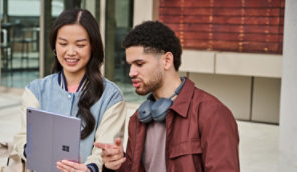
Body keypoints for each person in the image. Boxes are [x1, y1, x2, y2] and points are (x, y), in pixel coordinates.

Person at [94, 21, 240, 172]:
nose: (131, 73)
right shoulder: (138, 119)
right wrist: (116, 165)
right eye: (130, 65)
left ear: (166, 61)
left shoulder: (212, 113)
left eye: (139, 64)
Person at [12, 9, 126, 172]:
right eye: (63, 44)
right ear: (54, 45)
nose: (71, 52)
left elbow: (103, 151)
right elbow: (22, 137)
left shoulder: (111, 97)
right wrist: (32, 150)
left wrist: (89, 169)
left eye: (80, 45)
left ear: (93, 46)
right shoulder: (36, 91)